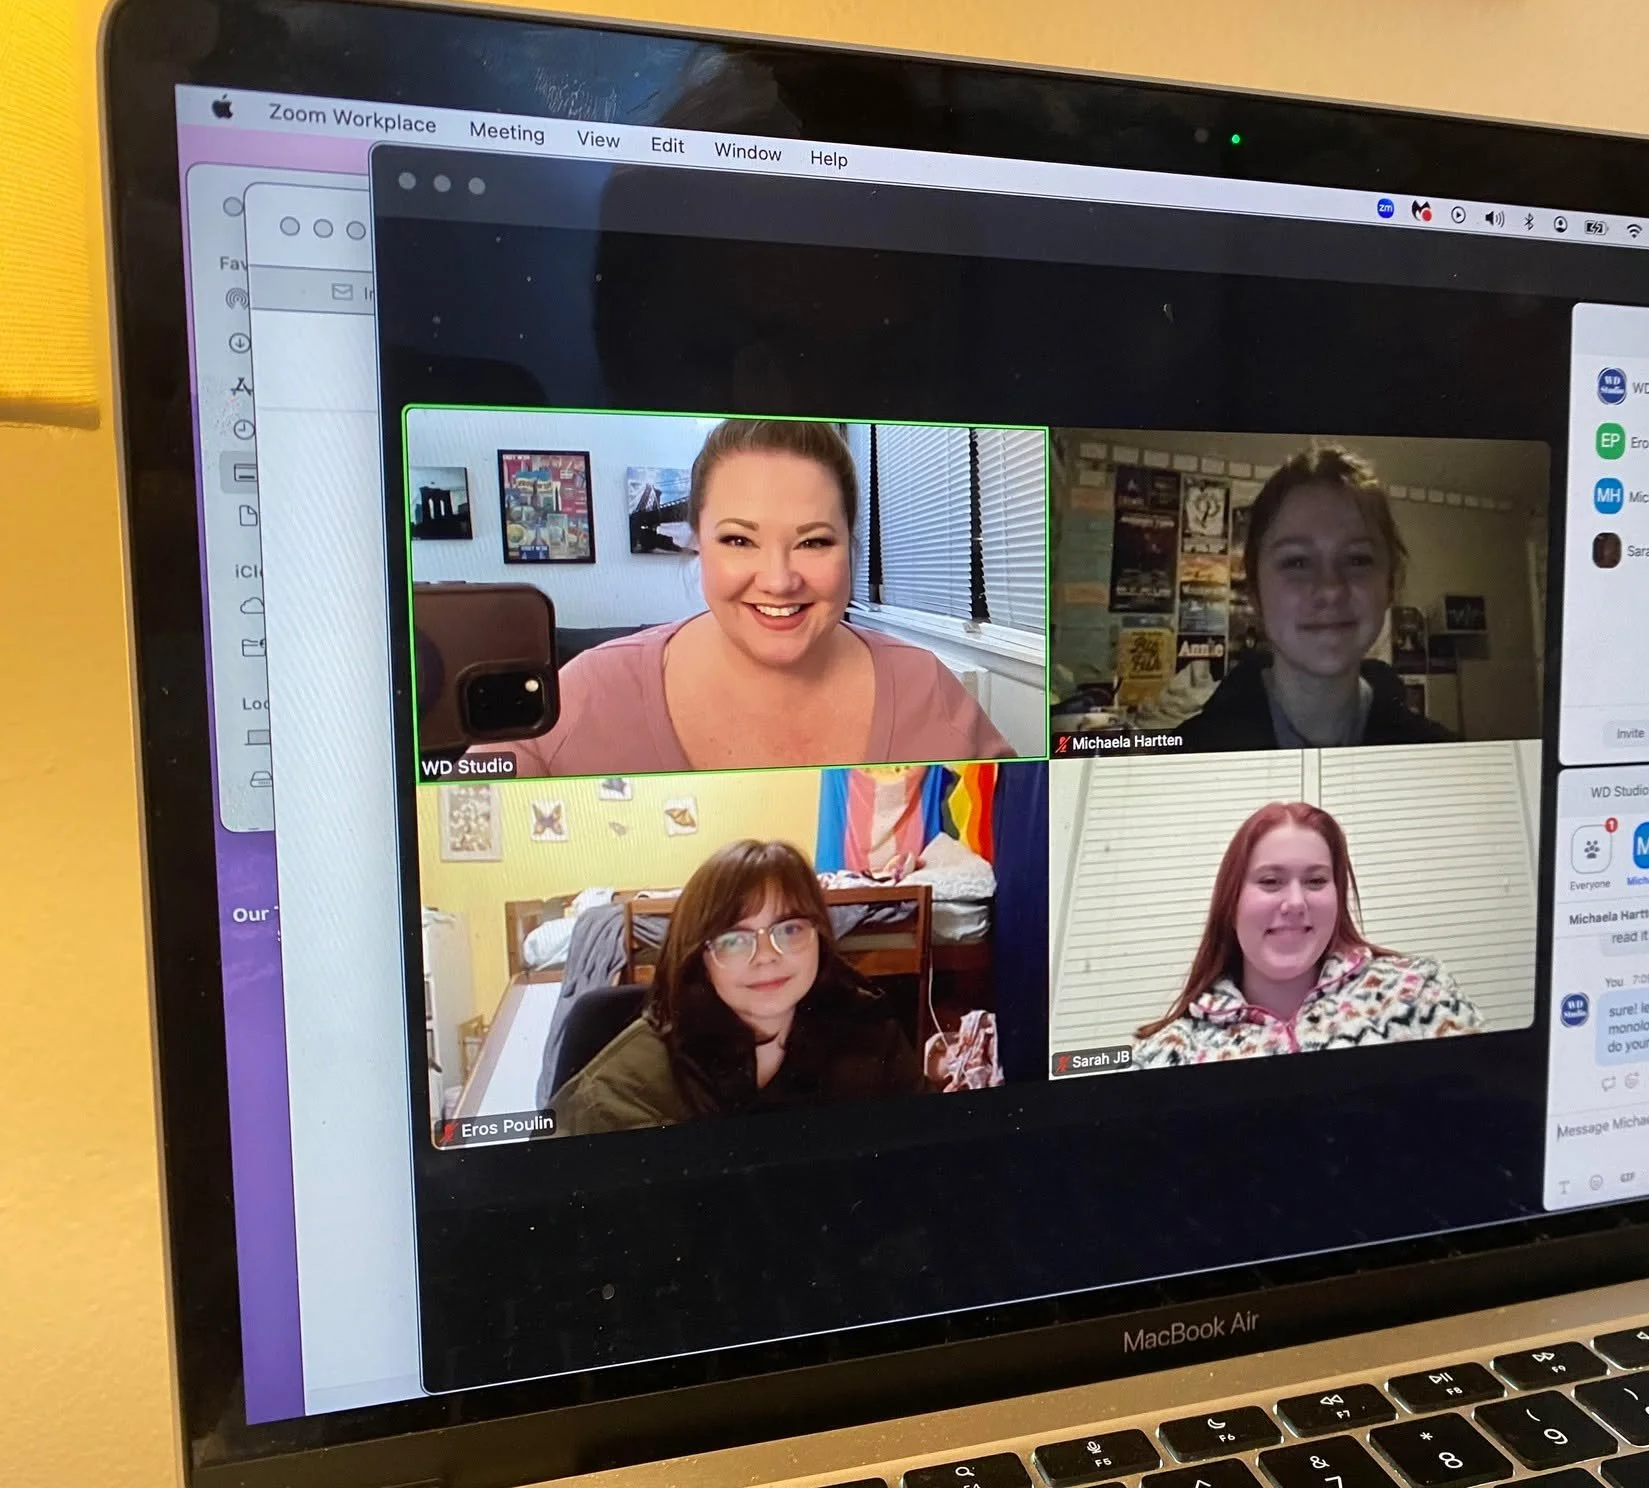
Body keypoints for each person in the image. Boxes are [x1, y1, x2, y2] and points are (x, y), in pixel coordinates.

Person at [495, 420, 1013, 775]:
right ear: (697, 541)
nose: (779, 580)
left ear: (850, 544)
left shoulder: (925, 689)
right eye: (739, 540)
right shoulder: (587, 693)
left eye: (814, 542)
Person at [549, 839, 928, 1133]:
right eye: (733, 939)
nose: (766, 956)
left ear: (819, 937)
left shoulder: (872, 1035)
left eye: (790, 929)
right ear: (699, 956)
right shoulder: (621, 1094)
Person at [1131, 802, 1483, 1068]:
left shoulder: (1420, 993)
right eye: (1271, 881)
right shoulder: (1163, 1056)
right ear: (1231, 903)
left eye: (1316, 881)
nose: (1296, 903)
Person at [1176, 446, 1455, 752]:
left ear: (1390, 584)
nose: (1330, 589)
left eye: (1358, 559)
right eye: (1297, 562)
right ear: (1255, 591)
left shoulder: (1446, 759)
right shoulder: (1177, 761)